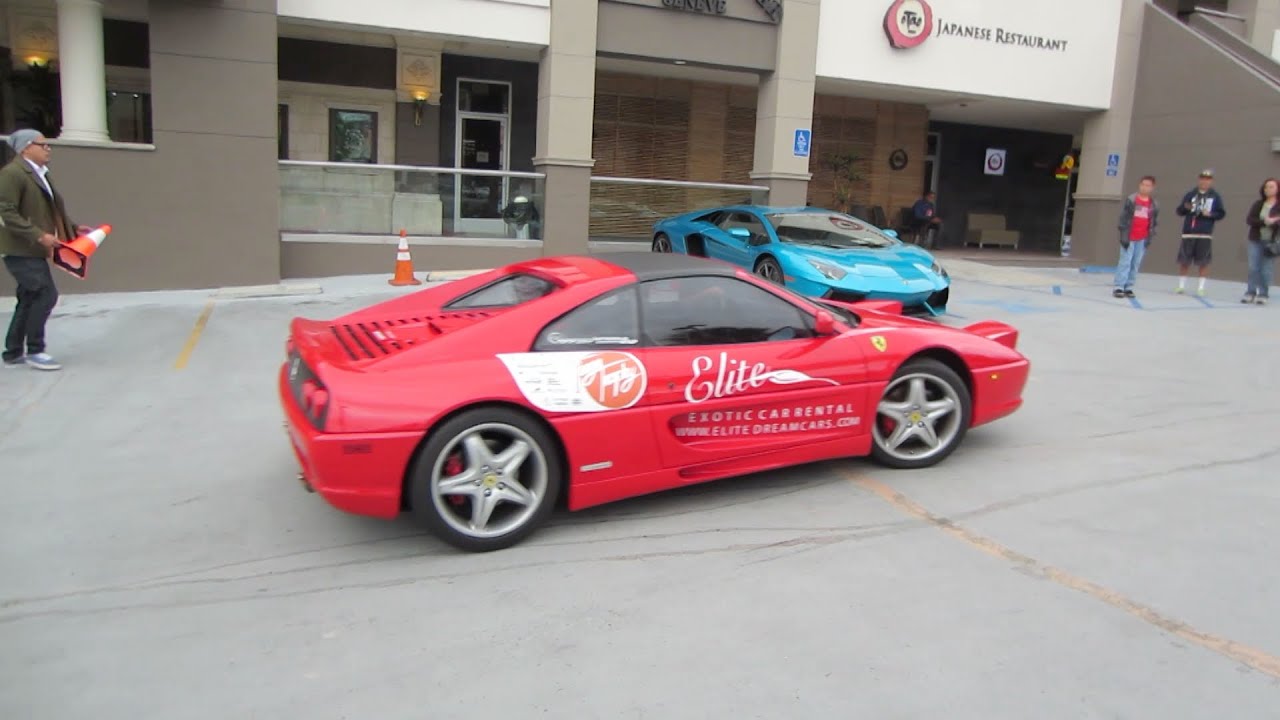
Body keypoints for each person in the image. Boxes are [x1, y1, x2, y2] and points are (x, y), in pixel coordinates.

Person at [0, 129, 88, 371]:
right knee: (45, 294)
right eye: (43, 144)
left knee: (28, 298)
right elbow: (5, 211)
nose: (48, 148)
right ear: (26, 147)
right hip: (21, 249)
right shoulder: (13, 174)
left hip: (31, 249)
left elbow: (49, 211)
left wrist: (73, 228)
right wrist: (39, 236)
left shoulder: (39, 174)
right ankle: (36, 350)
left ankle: (13, 352)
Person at [1174, 169, 1226, 296]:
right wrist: (1185, 208)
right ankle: (1181, 286)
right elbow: (1179, 211)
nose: (1204, 181)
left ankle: (1201, 287)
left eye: (1207, 179)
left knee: (1203, 261)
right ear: (1199, 180)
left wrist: (1210, 214)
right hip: (1189, 232)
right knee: (1184, 260)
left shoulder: (1215, 196)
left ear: (1211, 181)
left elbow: (1221, 213)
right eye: (1202, 178)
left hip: (1205, 233)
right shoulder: (1191, 194)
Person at [1113, 175, 1159, 299]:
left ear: (1152, 188)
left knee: (1135, 263)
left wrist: (1151, 233)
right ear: (1139, 185)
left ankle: (1128, 287)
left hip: (1143, 237)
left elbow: (1153, 221)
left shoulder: (1153, 204)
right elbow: (1123, 218)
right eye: (1143, 184)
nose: (1144, 187)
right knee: (1125, 261)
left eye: (1148, 185)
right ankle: (1119, 286)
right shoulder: (1132, 200)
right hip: (1129, 236)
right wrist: (1123, 233)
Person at [1242, 177, 1280, 305]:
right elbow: (1250, 220)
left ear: (1277, 189)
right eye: (1266, 187)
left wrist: (1274, 222)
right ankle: (1250, 292)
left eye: (1271, 187)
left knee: (1266, 269)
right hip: (1255, 239)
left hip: (1271, 241)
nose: (1268, 189)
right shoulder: (1258, 204)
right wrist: (1264, 221)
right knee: (1253, 267)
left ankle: (1263, 294)